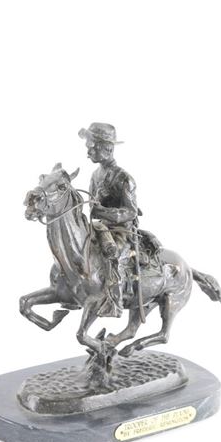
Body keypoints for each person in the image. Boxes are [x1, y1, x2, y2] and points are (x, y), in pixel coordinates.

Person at [79, 122, 139, 317]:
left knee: (111, 254)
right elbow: (92, 207)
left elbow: (130, 212)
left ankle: (114, 301)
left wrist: (103, 211)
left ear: (107, 148)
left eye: (92, 146)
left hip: (120, 231)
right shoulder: (95, 175)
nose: (88, 151)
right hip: (100, 227)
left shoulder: (124, 178)